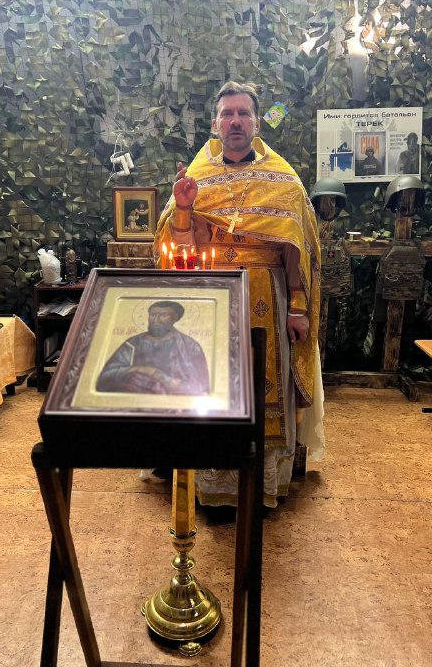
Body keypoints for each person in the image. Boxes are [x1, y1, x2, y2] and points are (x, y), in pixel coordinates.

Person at [154, 81, 323, 508]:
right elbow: (175, 249)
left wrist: (298, 307)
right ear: (215, 124)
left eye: (243, 113)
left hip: (268, 295)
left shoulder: (283, 180)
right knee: (209, 384)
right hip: (210, 297)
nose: (235, 121)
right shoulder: (196, 177)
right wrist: (184, 209)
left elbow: (297, 248)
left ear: (256, 122)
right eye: (227, 114)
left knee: (264, 385)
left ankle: (259, 488)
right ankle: (211, 487)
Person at [96, 300, 210, 395]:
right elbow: (106, 376)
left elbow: (201, 385)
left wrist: (165, 380)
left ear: (174, 318)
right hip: (134, 401)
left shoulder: (190, 346)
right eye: (152, 315)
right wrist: (139, 370)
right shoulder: (132, 344)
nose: (155, 320)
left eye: (163, 315)